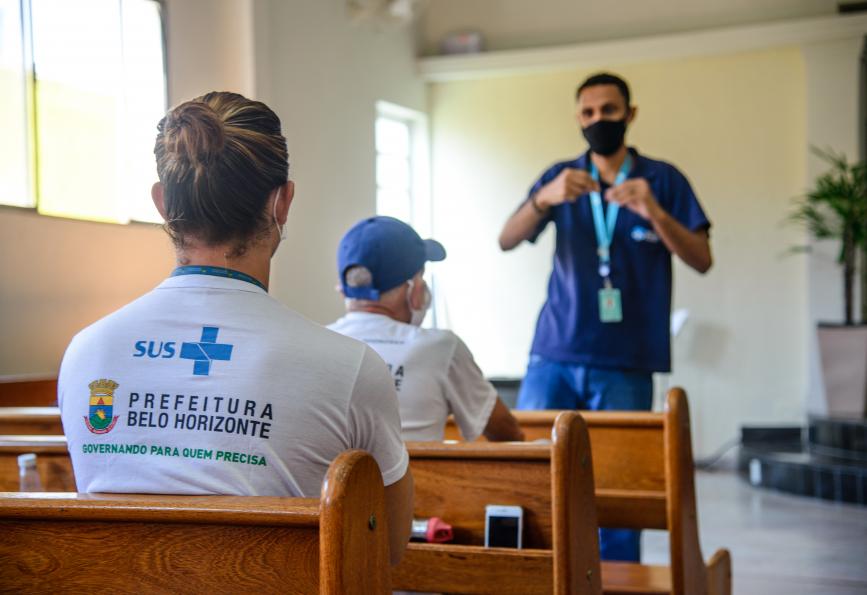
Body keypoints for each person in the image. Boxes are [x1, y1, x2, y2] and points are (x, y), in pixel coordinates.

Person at [58, 92, 413, 564]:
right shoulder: (349, 367)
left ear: (162, 204)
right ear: (282, 202)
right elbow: (385, 550)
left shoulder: (87, 352)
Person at [498, 73, 712, 562]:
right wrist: (543, 199)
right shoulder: (561, 176)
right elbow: (506, 239)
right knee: (531, 479)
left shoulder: (662, 179)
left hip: (627, 361)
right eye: (589, 113)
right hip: (554, 354)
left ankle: (617, 582)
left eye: (609, 111)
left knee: (619, 493)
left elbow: (701, 258)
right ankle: (536, 577)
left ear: (630, 115)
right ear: (578, 118)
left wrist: (653, 210)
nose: (599, 121)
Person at [328, 216, 524, 443]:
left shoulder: (317, 344)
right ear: (414, 288)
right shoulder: (442, 347)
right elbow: (506, 432)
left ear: (343, 288)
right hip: (418, 479)